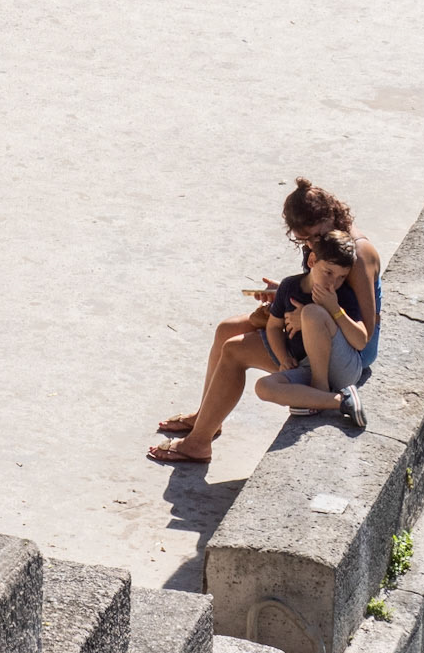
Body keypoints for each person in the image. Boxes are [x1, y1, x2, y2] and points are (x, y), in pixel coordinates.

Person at [146, 178, 381, 465]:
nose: (311, 244)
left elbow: (365, 331)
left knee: (235, 351)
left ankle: (198, 443)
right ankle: (206, 416)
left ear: (331, 217)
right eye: (303, 240)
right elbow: (325, 288)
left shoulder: (356, 253)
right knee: (227, 329)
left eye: (315, 236)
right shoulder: (321, 242)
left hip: (347, 346)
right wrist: (285, 292)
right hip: (318, 320)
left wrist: (306, 315)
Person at [254, 228, 368, 428]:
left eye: (342, 277)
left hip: (343, 367)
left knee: (312, 313)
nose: (333, 283)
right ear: (312, 261)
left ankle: (319, 390)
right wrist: (283, 358)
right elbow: (273, 327)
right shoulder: (289, 287)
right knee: (263, 386)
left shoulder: (342, 295)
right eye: (329, 272)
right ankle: (340, 402)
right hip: (307, 367)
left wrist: (334, 309)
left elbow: (360, 341)